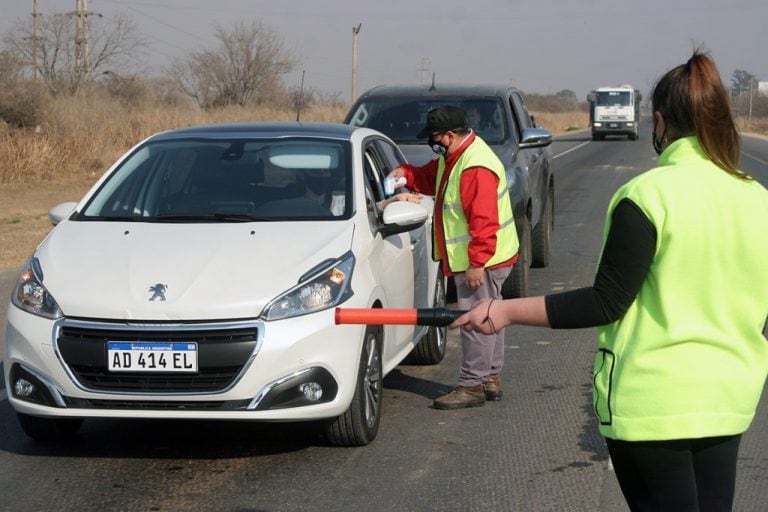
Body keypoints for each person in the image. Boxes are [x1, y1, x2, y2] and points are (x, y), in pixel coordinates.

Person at [450, 50, 768, 511]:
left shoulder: (646, 196)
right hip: (730, 398)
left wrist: (504, 311)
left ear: (659, 122)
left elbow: (606, 302)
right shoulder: (756, 197)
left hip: (653, 405)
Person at [389, 105, 520, 410]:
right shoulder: (458, 156)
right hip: (490, 258)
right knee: (490, 318)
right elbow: (432, 176)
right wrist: (407, 174)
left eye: (434, 138)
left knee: (475, 322)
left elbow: (484, 222)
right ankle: (489, 378)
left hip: (482, 262)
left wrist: (476, 263)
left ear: (449, 135)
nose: (431, 144)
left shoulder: (473, 167)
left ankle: (472, 385)